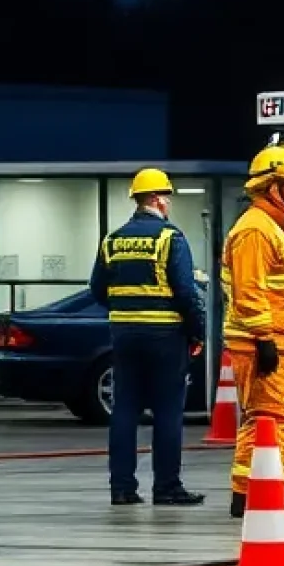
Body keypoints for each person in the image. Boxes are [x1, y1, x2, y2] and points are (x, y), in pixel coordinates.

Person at [89, 167, 207, 507]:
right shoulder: (171, 238)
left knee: (124, 410)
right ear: (156, 198)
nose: (169, 203)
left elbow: (97, 289)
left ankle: (122, 488)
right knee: (168, 411)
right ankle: (167, 487)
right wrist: (196, 332)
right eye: (167, 196)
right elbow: (187, 292)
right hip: (165, 336)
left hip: (124, 335)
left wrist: (127, 307)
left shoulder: (112, 240)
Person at [221, 143, 284, 519]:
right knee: (266, 418)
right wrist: (263, 339)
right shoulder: (254, 230)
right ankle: (245, 493)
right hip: (262, 341)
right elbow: (250, 290)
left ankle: (279, 487)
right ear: (271, 187)